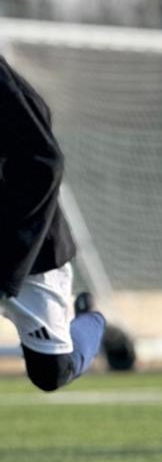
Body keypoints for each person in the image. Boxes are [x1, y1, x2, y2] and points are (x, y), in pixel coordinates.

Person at [1, 55, 106, 392]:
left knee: (51, 373)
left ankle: (93, 320)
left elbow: (44, 162)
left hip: (26, 252)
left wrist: (12, 264)